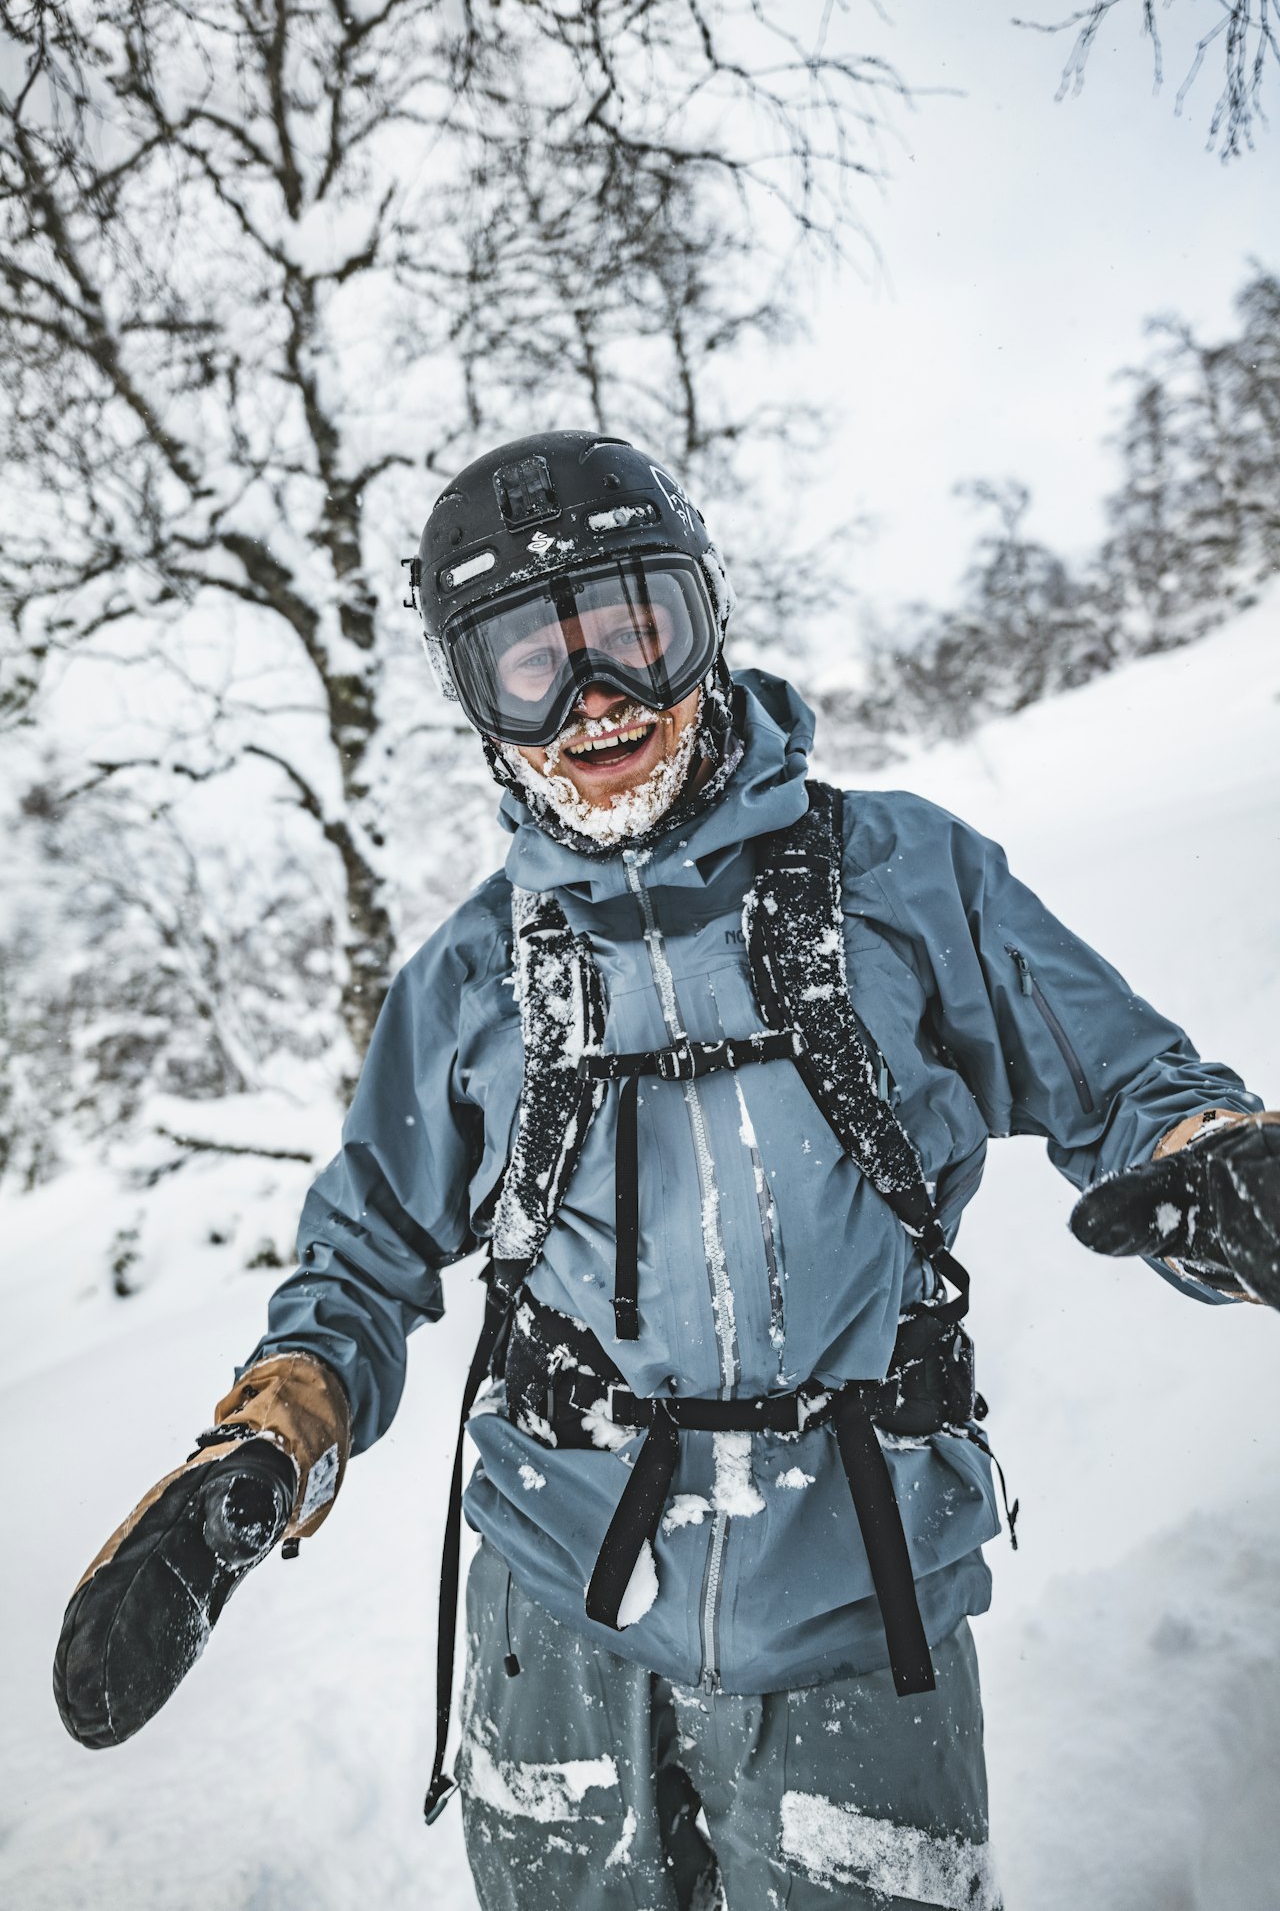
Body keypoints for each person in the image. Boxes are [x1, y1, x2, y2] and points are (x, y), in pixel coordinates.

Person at [54, 432, 1280, 1910]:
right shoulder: (467, 980)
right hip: (550, 1616)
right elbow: (362, 1255)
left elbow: (1137, 1083)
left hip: (852, 1607)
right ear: (479, 702)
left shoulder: (908, 882)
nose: (595, 702)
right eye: (531, 664)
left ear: (701, 614)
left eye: (631, 628)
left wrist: (1219, 1169)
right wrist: (263, 1449)